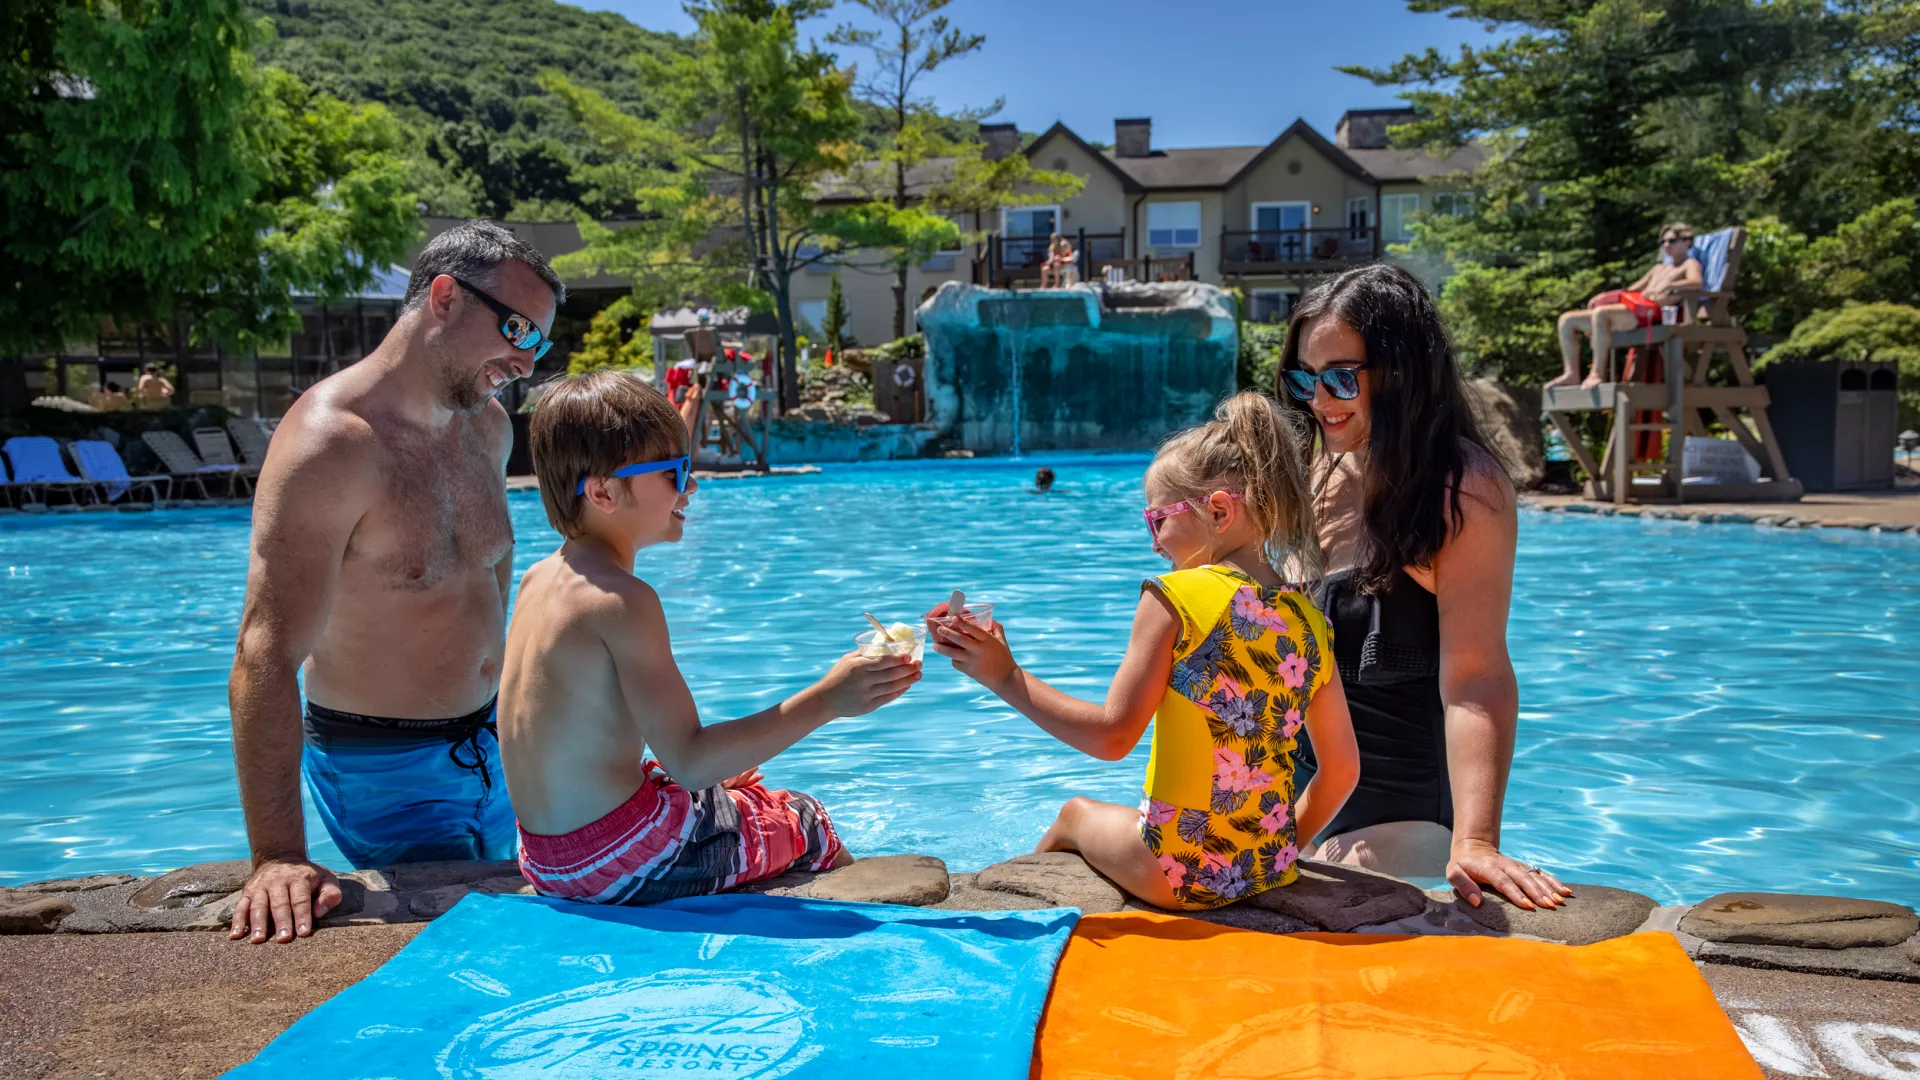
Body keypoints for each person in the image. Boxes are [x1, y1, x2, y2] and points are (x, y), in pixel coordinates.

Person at [227, 220, 563, 945]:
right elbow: (264, 654)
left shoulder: (488, 428)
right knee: (467, 953)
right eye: (517, 329)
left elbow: (485, 593)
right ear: (443, 296)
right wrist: (280, 855)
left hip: (492, 747)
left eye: (539, 343)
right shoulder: (332, 445)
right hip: (386, 771)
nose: (525, 360)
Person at [929, 393, 1359, 910]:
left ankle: (1014, 914)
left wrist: (1005, 676)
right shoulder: (1311, 622)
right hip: (1267, 869)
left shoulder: (1174, 596)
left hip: (1177, 872)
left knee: (1074, 813)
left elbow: (1112, 737)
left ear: (1219, 510)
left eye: (1157, 521)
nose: (1154, 543)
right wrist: (1279, 851)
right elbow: (1342, 771)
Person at [501, 371, 918, 904]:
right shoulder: (622, 601)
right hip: (620, 858)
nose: (691, 486)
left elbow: (585, 742)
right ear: (604, 491)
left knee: (730, 785)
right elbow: (691, 762)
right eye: (675, 472)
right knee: (805, 817)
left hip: (546, 859)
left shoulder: (539, 579)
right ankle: (859, 937)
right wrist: (830, 698)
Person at [1276, 262, 1574, 911]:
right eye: (1304, 377)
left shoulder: (1459, 489)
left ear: (1400, 370)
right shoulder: (1319, 466)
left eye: (1339, 378)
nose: (1318, 400)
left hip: (1399, 818)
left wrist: (1477, 841)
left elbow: (1478, 676)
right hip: (1300, 809)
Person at [1550, 223, 1703, 389]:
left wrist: (1673, 286)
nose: (1666, 245)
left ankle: (1597, 373)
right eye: (1663, 242)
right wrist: (1605, 296)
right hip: (1634, 311)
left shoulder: (1690, 263)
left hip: (1652, 315)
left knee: (1601, 314)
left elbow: (1696, 282)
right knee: (1567, 320)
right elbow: (1631, 289)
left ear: (1687, 241)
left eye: (1672, 241)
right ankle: (1571, 374)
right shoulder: (1658, 268)